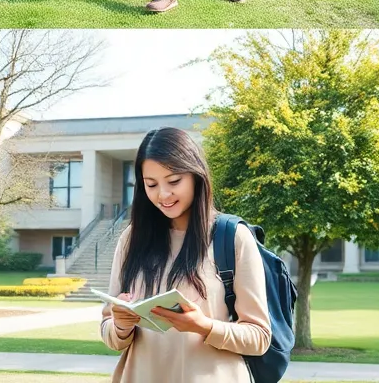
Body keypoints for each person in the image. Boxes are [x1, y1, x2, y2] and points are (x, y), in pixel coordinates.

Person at [100, 127, 270, 381]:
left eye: (174, 181)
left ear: (196, 176)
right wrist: (121, 325)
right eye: (151, 184)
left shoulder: (232, 237)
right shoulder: (132, 239)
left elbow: (259, 337)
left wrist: (204, 326)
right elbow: (109, 332)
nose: (163, 195)